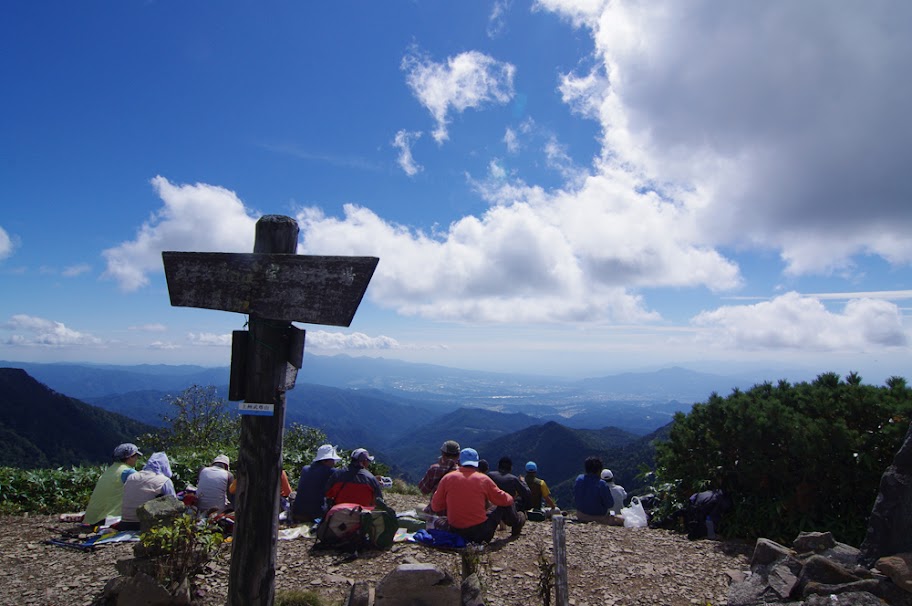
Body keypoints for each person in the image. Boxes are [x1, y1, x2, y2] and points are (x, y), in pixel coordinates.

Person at [430, 447, 524, 543]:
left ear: (459, 461)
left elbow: (435, 506)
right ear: (476, 463)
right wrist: (511, 498)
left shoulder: (447, 478)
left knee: (440, 521)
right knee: (501, 504)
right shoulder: (483, 479)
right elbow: (504, 499)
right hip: (480, 534)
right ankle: (517, 523)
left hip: (455, 531)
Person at [84, 443, 142, 526]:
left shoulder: (110, 470)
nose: (137, 458)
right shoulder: (129, 472)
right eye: (136, 456)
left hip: (91, 518)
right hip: (110, 519)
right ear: (130, 457)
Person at [119, 452, 175, 530]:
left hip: (125, 524)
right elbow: (174, 504)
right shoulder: (164, 481)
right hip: (148, 525)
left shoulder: (131, 477)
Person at [291, 444, 341, 523]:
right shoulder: (331, 472)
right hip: (316, 514)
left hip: (297, 511)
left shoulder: (305, 469)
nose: (334, 463)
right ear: (325, 460)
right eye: (332, 460)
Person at [573, 456, 620, 525]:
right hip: (598, 517)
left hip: (580, 515)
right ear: (599, 470)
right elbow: (610, 504)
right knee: (622, 519)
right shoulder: (601, 484)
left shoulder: (579, 479)